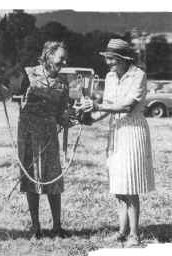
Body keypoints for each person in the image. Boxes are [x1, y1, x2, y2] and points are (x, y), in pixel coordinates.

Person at [82, 38, 155, 247]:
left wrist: (96, 106)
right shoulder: (110, 77)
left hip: (133, 132)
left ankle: (135, 234)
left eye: (112, 60)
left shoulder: (138, 75)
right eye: (107, 59)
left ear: (123, 58)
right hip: (116, 131)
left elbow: (127, 106)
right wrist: (88, 119)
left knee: (131, 184)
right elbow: (108, 106)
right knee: (119, 184)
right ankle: (121, 231)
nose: (108, 63)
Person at [6, 41, 70, 239]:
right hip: (29, 134)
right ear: (49, 56)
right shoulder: (28, 73)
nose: (64, 62)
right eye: (61, 58)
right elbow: (10, 88)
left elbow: (62, 114)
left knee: (53, 178)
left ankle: (57, 227)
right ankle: (36, 227)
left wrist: (73, 117)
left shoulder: (62, 83)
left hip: (49, 134)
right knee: (31, 179)